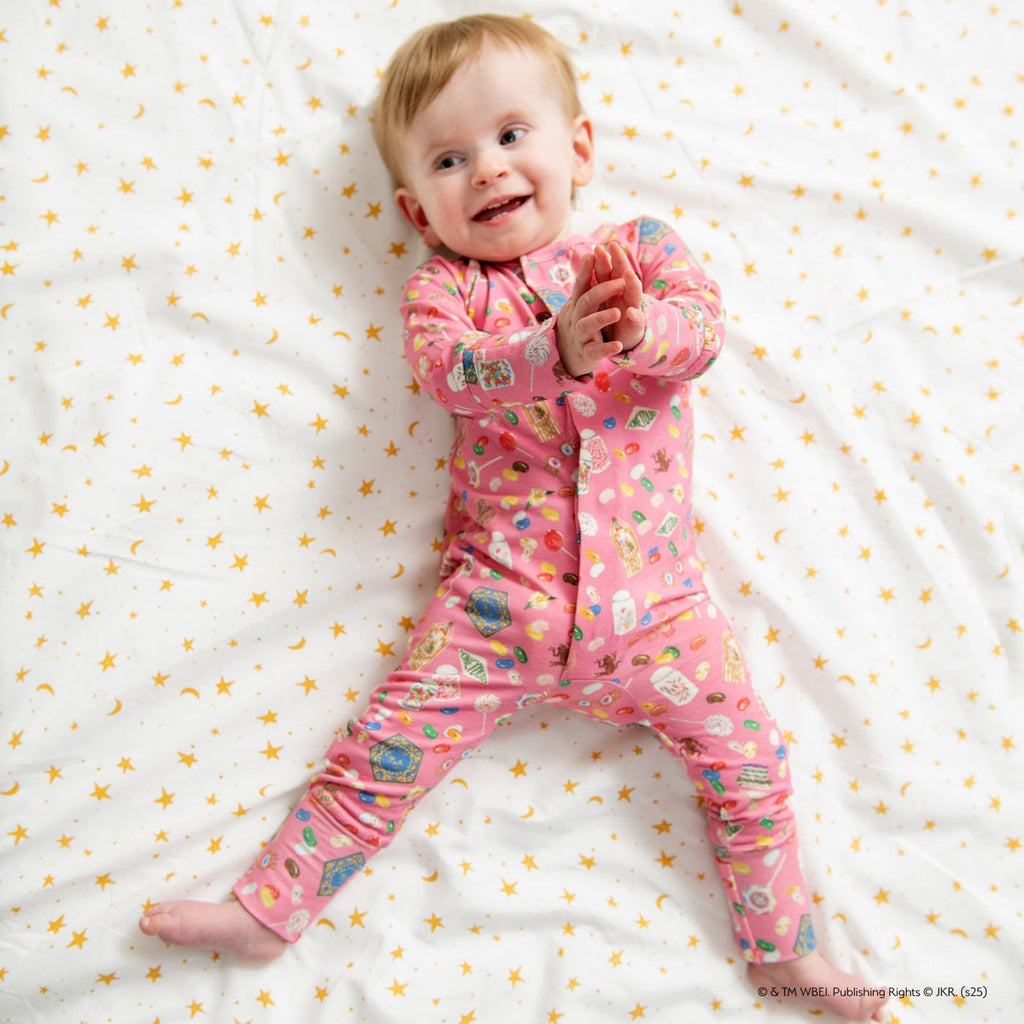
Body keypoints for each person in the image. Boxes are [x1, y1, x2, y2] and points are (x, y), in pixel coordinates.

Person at [139, 15, 888, 1021]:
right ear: (414, 209)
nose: (486, 171)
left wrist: (636, 327)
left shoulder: (640, 250)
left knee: (748, 758)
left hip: (660, 616)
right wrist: (553, 349)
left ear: (575, 148)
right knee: (379, 746)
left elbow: (700, 338)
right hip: (498, 605)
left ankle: (784, 948)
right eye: (450, 159)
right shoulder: (443, 291)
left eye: (508, 136)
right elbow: (451, 377)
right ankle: (270, 908)